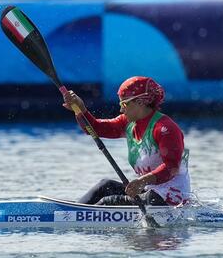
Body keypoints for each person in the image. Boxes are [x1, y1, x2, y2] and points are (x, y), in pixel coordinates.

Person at [63, 76, 191, 206]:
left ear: (141, 102)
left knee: (107, 202)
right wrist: (79, 109)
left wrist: (142, 181)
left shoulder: (165, 129)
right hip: (149, 190)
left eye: (124, 104)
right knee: (105, 186)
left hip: (170, 197)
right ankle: (72, 211)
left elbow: (172, 168)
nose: (121, 110)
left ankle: (73, 216)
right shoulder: (128, 123)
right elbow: (95, 129)